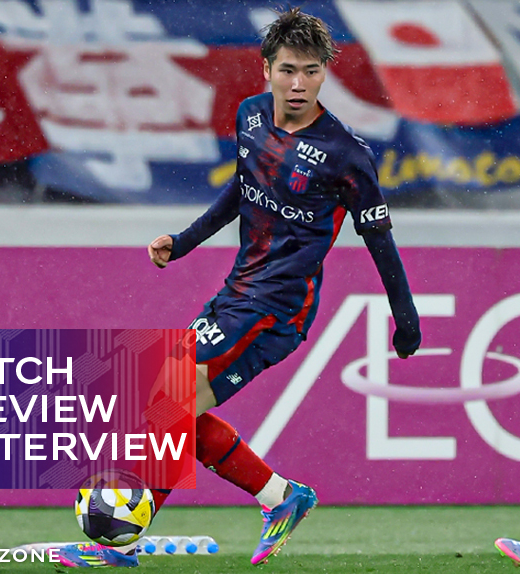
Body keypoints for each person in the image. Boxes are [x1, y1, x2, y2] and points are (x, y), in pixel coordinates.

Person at [50, 6, 421, 568]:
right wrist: (185, 241)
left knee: (166, 405)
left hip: (277, 309)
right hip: (235, 294)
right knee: (171, 410)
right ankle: (280, 497)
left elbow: (381, 242)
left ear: (325, 73)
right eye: (288, 69)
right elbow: (242, 191)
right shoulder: (250, 117)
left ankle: (119, 546)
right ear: (266, 68)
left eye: (312, 71)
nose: (299, 84)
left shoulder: (347, 156)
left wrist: (406, 318)